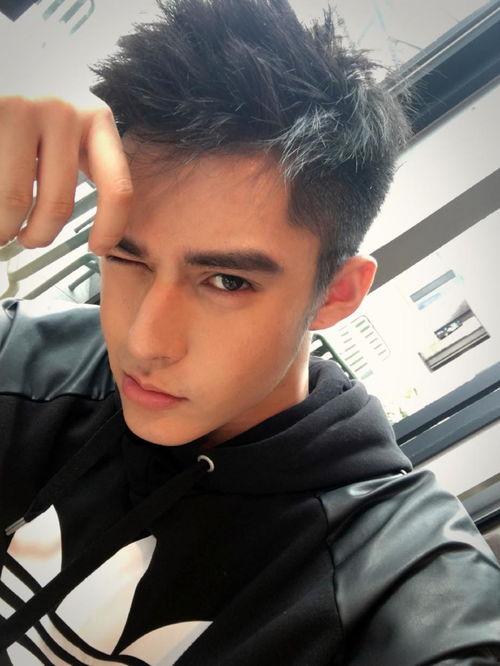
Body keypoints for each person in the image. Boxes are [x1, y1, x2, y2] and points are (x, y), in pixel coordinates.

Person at [0, 0, 499, 663]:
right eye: (126, 257)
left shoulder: (393, 574)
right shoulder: (31, 361)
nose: (144, 343)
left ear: (336, 294)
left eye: (227, 282)